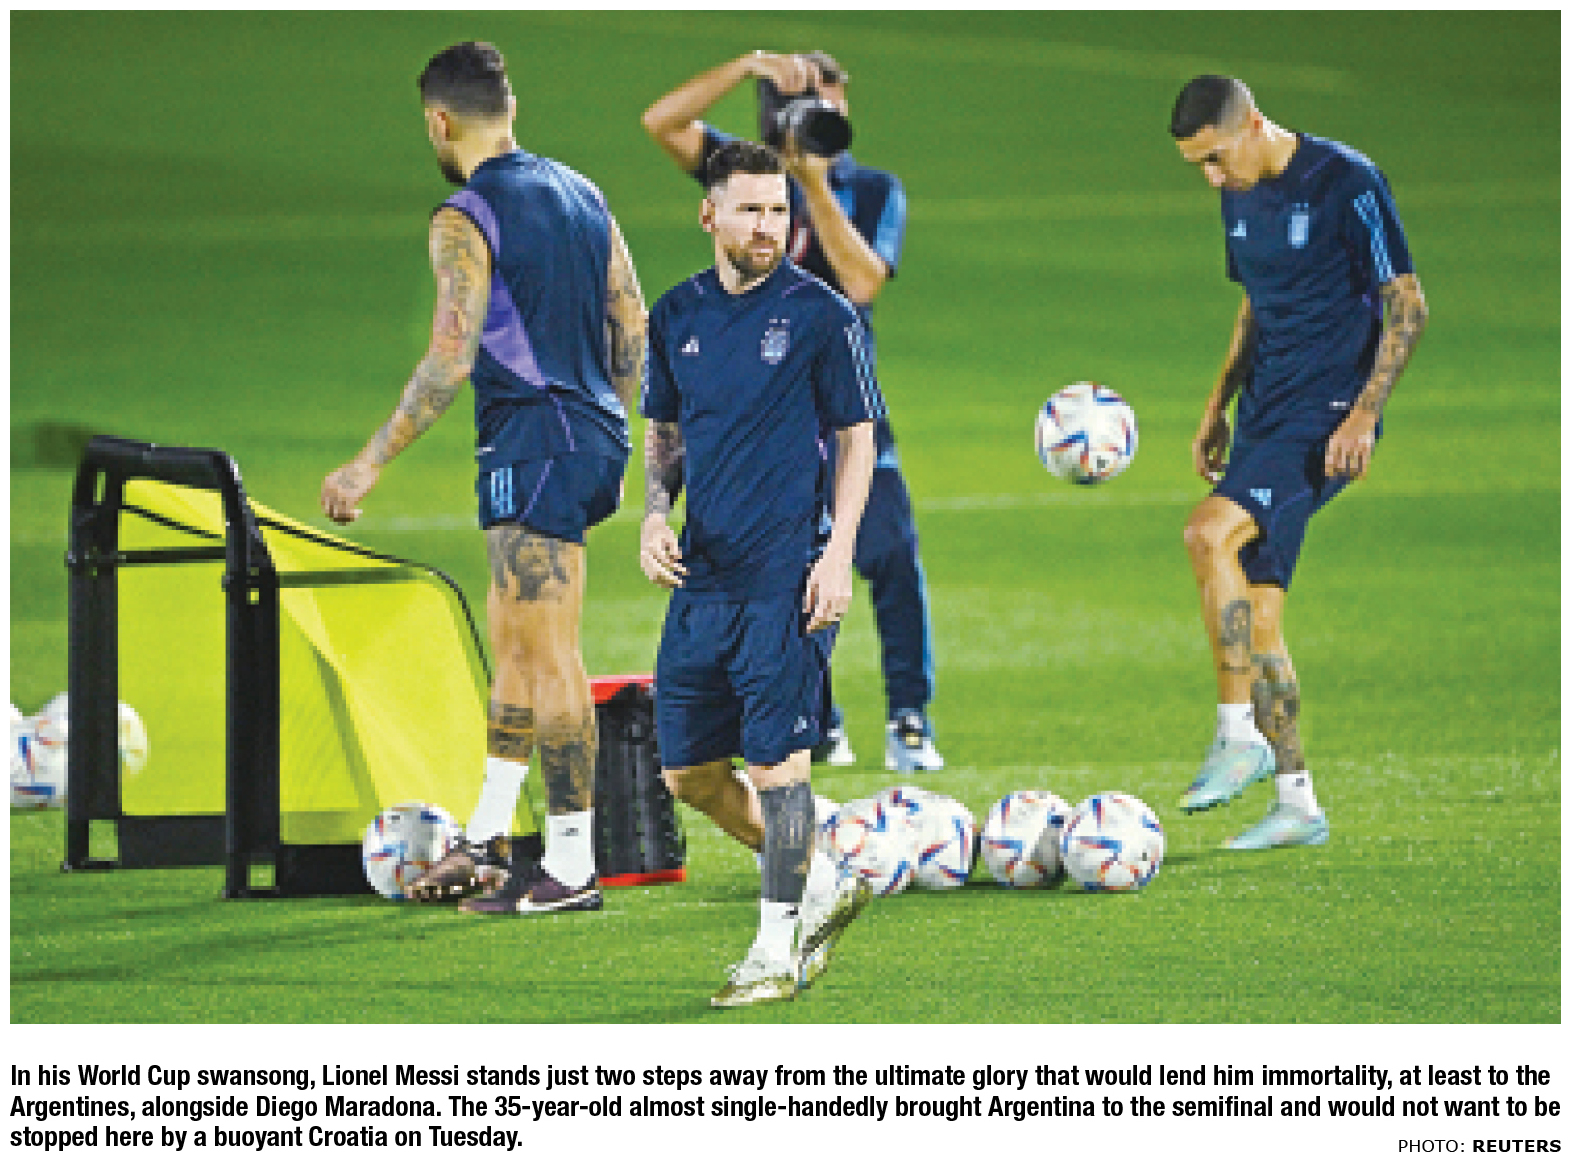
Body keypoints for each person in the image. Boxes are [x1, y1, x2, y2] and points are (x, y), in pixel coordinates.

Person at [321, 41, 646, 911]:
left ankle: (572, 867)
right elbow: (630, 322)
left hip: (535, 439)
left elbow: (449, 357)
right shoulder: (582, 192)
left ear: (438, 121)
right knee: (514, 644)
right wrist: (610, 428)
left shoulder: (464, 215)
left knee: (551, 653)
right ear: (511, 108)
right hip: (574, 436)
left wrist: (369, 460)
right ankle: (489, 839)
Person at [642, 49, 943, 774]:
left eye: (831, 101)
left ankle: (908, 719)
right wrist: (747, 66)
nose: (822, 114)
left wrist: (814, 185)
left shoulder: (870, 188)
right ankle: (820, 723)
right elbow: (663, 122)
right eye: (805, 103)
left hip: (840, 409)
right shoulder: (746, 179)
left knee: (889, 556)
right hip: (756, 422)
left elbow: (863, 282)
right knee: (778, 577)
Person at [640, 140, 879, 1007]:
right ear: (709, 215)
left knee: (781, 771)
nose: (767, 226)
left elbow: (857, 439)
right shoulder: (677, 314)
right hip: (704, 577)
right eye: (750, 210)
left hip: (788, 576)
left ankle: (775, 951)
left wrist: (837, 552)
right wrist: (654, 514)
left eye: (778, 210)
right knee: (689, 775)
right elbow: (664, 430)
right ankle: (825, 881)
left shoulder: (820, 315)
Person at [1168, 76, 1428, 849]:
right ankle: (1296, 802)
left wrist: (1364, 412)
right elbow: (1256, 300)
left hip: (1324, 418)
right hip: (1265, 416)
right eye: (1197, 166)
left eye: (1215, 158)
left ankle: (1235, 733)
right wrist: (1218, 403)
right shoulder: (1235, 193)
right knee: (1258, 615)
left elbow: (1407, 301)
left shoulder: (1346, 180)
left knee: (1206, 534)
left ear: (1251, 124)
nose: (1210, 177)